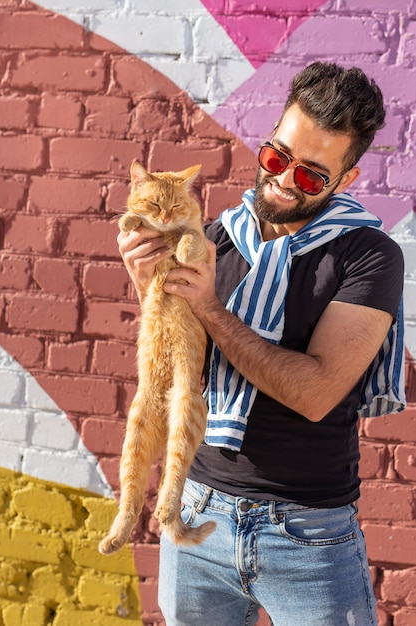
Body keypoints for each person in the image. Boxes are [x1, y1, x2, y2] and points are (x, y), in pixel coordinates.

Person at [118, 62, 406, 626]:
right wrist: (150, 287)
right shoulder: (215, 238)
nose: (281, 181)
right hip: (197, 513)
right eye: (277, 159)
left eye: (310, 176)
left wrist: (207, 306)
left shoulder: (367, 255)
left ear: (343, 181)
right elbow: (181, 368)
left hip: (307, 535)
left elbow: (316, 391)